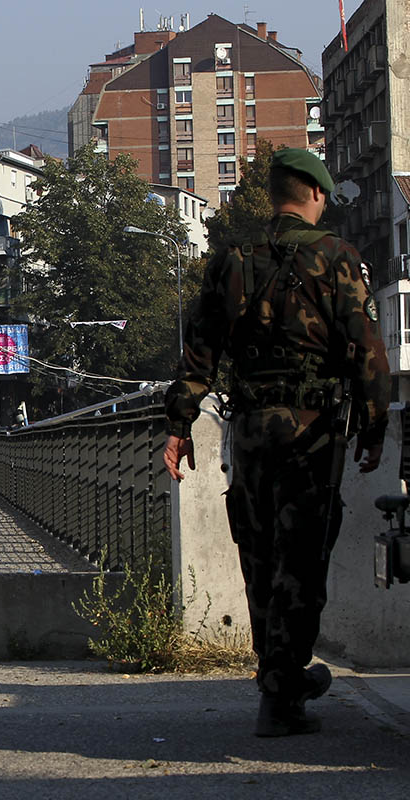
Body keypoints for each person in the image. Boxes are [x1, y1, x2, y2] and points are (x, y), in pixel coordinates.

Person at [164, 148, 389, 738]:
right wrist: (374, 425)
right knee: (302, 558)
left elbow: (200, 351)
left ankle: (277, 676)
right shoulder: (337, 258)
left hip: (249, 430)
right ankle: (282, 691)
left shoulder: (232, 261)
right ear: (315, 193)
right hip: (311, 432)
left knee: (259, 554)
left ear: (274, 195)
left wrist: (179, 425)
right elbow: (367, 351)